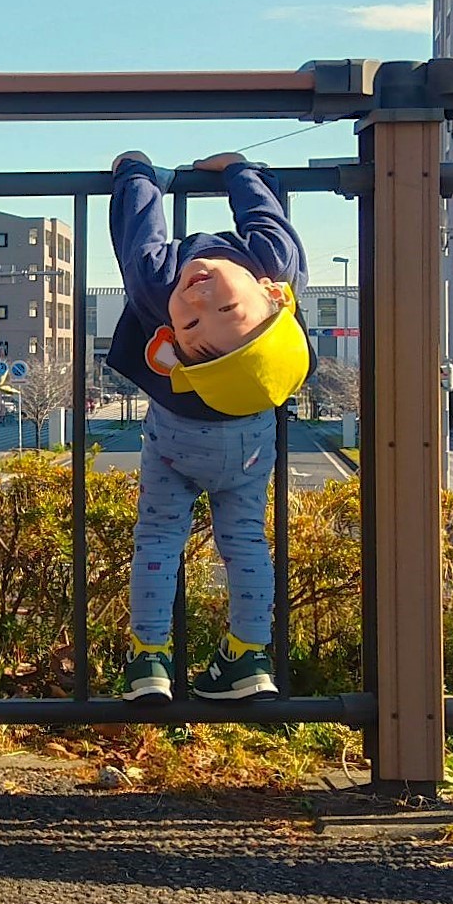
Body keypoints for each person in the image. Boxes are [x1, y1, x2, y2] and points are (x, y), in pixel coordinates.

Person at [106, 150, 312, 702]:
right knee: (244, 541)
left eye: (207, 317)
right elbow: (266, 217)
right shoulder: (273, 265)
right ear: (271, 297)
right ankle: (248, 657)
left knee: (157, 538)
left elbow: (139, 233)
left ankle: (149, 658)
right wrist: (242, 171)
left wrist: (136, 174)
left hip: (176, 439)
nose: (198, 300)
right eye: (199, 317)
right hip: (248, 441)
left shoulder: (158, 287)